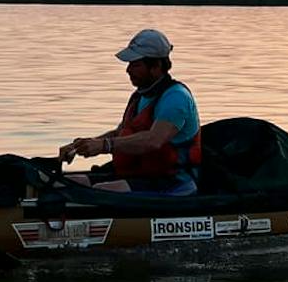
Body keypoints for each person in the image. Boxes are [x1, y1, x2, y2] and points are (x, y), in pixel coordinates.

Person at [58, 29, 202, 196]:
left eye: (135, 65)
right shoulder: (140, 96)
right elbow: (120, 133)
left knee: (101, 192)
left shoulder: (176, 97)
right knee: (66, 182)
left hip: (173, 182)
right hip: (138, 175)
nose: (128, 70)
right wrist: (81, 145)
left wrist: (105, 146)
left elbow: (154, 140)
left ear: (156, 66)